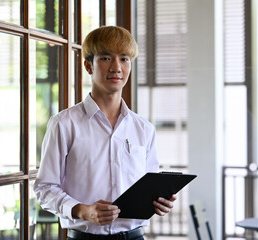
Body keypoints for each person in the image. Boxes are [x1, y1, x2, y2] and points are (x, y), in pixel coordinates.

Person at [33, 26, 177, 240]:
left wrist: (160, 202)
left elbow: (149, 185)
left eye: (125, 59)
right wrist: (83, 210)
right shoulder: (64, 124)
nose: (116, 67)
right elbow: (44, 189)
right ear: (88, 65)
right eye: (106, 58)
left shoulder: (144, 129)